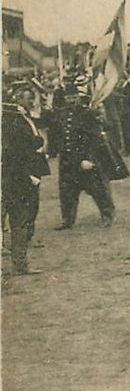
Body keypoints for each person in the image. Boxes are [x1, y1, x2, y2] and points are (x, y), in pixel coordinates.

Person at [53, 78, 125, 229]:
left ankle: (107, 215)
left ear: (78, 97)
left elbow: (97, 137)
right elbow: (59, 135)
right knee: (67, 192)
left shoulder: (88, 113)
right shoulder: (62, 114)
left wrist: (88, 159)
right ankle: (68, 220)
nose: (71, 100)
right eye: (68, 97)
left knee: (97, 189)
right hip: (68, 161)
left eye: (73, 97)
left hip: (85, 159)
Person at [2, 84, 51, 274]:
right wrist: (28, 174)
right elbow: (16, 150)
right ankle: (19, 264)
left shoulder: (22, 116)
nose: (31, 101)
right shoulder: (11, 119)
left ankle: (20, 263)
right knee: (18, 218)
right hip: (18, 176)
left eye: (31, 98)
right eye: (27, 98)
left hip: (23, 174)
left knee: (22, 217)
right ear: (16, 99)